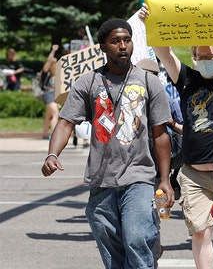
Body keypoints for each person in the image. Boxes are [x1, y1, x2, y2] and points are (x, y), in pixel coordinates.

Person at [40, 18, 173, 268]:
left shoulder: (148, 82)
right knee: (113, 255)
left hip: (139, 177)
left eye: (127, 40)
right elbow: (66, 122)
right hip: (101, 181)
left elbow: (160, 134)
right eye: (115, 41)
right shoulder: (88, 82)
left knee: (136, 238)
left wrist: (164, 179)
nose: (123, 46)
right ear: (102, 47)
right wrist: (52, 155)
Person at [139, 0, 213, 269]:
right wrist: (150, 23)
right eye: (200, 55)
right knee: (201, 231)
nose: (205, 59)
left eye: (210, 55)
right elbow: (163, 51)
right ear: (193, 56)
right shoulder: (187, 79)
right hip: (195, 174)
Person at [41, 44, 59, 139]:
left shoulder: (56, 75)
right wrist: (53, 51)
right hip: (48, 94)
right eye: (55, 63)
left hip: (54, 95)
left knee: (48, 116)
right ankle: (54, 135)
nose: (56, 65)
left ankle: (44, 134)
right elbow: (48, 62)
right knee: (55, 114)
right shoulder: (46, 72)